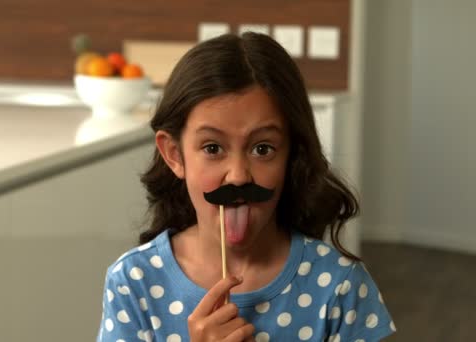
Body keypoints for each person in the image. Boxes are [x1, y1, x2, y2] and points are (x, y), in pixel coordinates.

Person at [96, 32, 396, 342]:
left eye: (263, 149)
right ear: (174, 155)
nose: (238, 176)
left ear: (291, 155)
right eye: (212, 148)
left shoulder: (339, 287)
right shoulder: (133, 282)